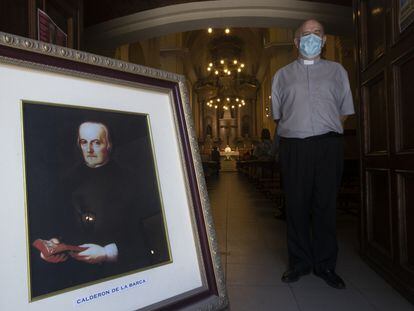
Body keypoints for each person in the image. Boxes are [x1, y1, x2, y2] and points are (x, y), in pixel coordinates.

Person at [31, 121, 168, 297]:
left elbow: (152, 235)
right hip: (75, 279)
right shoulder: (65, 182)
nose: (89, 149)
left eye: (96, 142)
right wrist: (52, 244)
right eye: (84, 142)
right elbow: (53, 225)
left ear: (108, 144)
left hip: (120, 278)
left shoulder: (131, 181)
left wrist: (107, 253)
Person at [271, 19, 354, 289]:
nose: (311, 38)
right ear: (296, 42)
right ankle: (299, 263)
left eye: (316, 33)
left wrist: (325, 133)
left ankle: (325, 264)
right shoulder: (281, 75)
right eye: (305, 34)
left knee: (325, 206)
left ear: (325, 39)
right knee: (296, 206)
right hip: (295, 147)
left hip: (328, 146)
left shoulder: (337, 71)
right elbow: (278, 115)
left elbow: (344, 110)